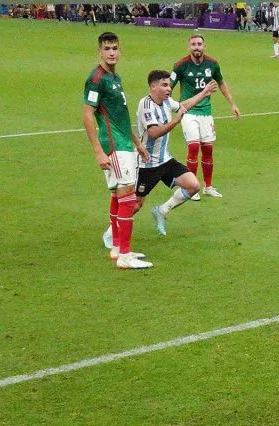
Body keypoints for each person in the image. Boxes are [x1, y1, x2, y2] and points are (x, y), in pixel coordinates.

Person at [84, 32, 152, 270]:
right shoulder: (96, 79)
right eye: (107, 49)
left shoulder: (116, 77)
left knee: (117, 195)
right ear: (99, 52)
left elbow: (121, 117)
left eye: (114, 48)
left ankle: (116, 247)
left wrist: (137, 142)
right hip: (113, 145)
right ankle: (125, 255)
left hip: (125, 142)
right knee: (128, 196)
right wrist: (98, 151)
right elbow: (87, 114)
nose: (112, 52)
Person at [137, 71, 218, 236]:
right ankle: (111, 233)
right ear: (153, 87)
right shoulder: (146, 105)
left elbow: (183, 105)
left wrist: (204, 93)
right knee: (136, 204)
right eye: (164, 85)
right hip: (146, 163)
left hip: (164, 160)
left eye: (169, 85)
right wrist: (176, 121)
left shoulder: (167, 102)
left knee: (193, 185)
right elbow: (153, 133)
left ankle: (161, 211)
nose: (169, 89)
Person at [170, 34, 241, 201]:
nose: (196, 47)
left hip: (206, 112)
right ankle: (192, 186)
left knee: (208, 149)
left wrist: (232, 104)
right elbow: (168, 86)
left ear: (204, 46)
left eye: (199, 44)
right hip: (188, 112)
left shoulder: (212, 64)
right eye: (193, 44)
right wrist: (170, 107)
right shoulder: (180, 65)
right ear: (189, 47)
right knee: (194, 147)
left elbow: (221, 83)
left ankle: (208, 187)